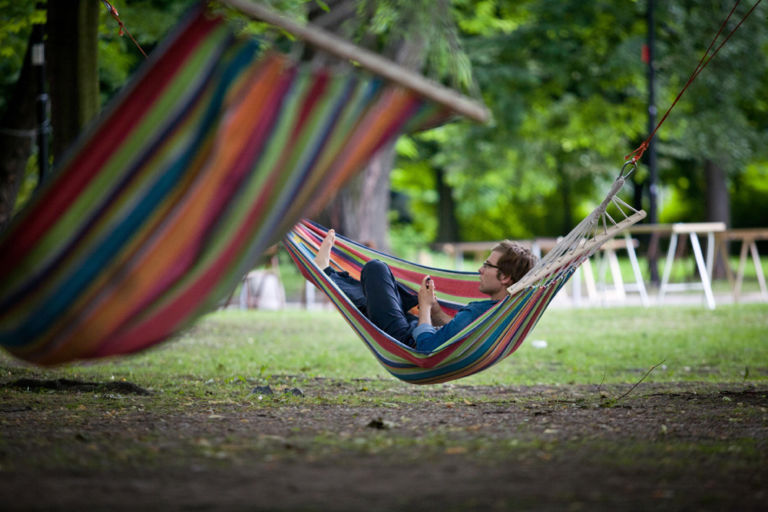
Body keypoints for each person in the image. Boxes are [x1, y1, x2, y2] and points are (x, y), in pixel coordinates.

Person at [315, 229, 537, 352]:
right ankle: (327, 273)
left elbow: (427, 347)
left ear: (505, 277)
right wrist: (435, 309)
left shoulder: (479, 314)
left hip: (406, 341)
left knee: (376, 269)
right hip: (412, 328)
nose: (480, 269)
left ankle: (326, 273)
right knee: (383, 294)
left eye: (488, 265)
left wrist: (425, 310)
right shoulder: (497, 311)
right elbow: (453, 333)